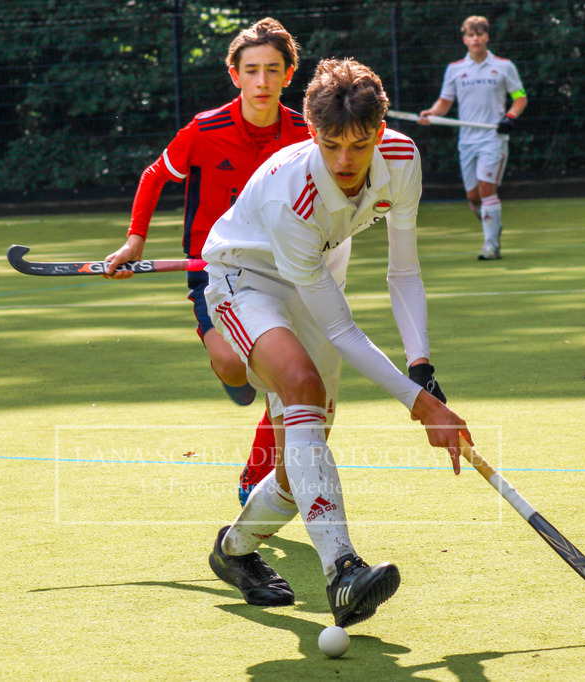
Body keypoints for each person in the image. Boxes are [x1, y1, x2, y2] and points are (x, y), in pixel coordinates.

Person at [202, 58, 471, 628]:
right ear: (310, 131)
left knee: (300, 467)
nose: (345, 161)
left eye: (359, 145)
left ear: (380, 131)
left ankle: (234, 550)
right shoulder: (290, 196)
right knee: (302, 387)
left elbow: (404, 272)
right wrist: (421, 407)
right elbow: (343, 329)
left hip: (316, 278)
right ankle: (342, 571)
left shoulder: (402, 159)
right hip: (247, 280)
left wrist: (421, 368)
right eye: (330, 146)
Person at [103, 18, 311, 504]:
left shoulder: (307, 133)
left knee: (287, 378)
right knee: (233, 365)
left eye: (273, 70)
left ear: (288, 74)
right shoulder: (204, 129)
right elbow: (155, 175)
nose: (262, 81)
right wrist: (135, 240)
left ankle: (255, 477)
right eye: (252, 70)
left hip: (284, 273)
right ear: (234, 75)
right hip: (214, 272)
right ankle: (237, 379)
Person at [419, 15, 527, 261]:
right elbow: (445, 102)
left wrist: (510, 117)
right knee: (473, 197)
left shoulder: (504, 66)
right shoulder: (455, 69)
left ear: (487, 37)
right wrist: (432, 113)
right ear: (465, 39)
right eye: (471, 35)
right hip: (467, 141)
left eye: (480, 34)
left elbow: (520, 97)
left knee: (486, 189)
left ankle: (491, 246)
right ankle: (493, 224)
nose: (476, 38)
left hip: (493, 138)